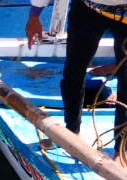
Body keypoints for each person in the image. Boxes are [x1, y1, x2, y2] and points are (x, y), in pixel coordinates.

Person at [26, 0, 127, 149]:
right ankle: (72, 132)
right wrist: (34, 15)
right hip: (87, 8)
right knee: (74, 71)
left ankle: (121, 148)